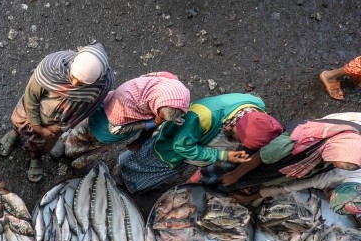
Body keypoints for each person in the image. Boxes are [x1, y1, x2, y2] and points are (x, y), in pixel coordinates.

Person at [0, 43, 114, 182]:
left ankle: (35, 155)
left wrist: (60, 127)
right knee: (20, 121)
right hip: (32, 109)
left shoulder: (102, 85)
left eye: (82, 83)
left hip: (57, 121)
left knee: (42, 143)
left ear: (96, 80)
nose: (75, 84)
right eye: (73, 76)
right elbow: (31, 97)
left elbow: (85, 111)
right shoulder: (51, 66)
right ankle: (15, 133)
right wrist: (38, 127)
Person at [118, 93, 264, 193]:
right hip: (170, 151)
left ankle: (129, 176)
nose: (239, 143)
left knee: (151, 166)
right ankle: (125, 180)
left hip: (192, 145)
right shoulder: (202, 117)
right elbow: (181, 146)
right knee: (146, 165)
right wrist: (223, 155)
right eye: (239, 138)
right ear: (234, 126)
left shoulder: (256, 108)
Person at [61, 72, 190, 168]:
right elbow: (115, 129)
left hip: (115, 122)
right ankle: (67, 153)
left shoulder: (170, 87)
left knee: (92, 145)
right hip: (104, 127)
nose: (159, 120)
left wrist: (142, 139)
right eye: (160, 116)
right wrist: (151, 123)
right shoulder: (125, 102)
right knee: (81, 140)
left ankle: (72, 154)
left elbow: (166, 113)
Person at [223, 113, 361, 196]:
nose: (330, 164)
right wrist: (234, 175)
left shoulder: (351, 141)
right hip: (273, 162)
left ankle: (248, 185)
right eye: (332, 161)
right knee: (246, 174)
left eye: (333, 164)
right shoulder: (293, 142)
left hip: (287, 169)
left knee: (264, 179)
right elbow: (259, 157)